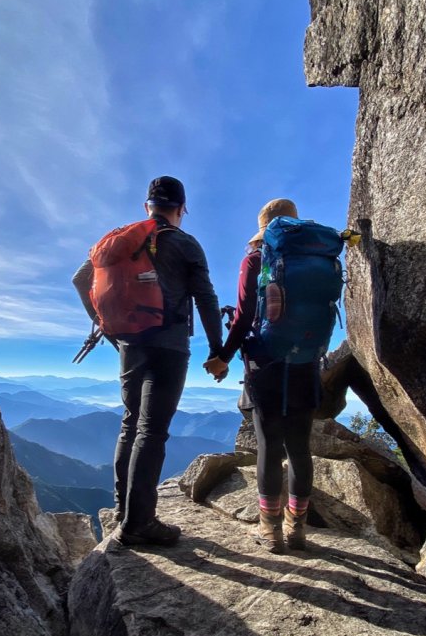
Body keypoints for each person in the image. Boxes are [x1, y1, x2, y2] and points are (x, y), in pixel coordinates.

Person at [73, 176, 224, 546]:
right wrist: (218, 351)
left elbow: (80, 280)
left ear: (147, 207)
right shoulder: (185, 243)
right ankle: (139, 523)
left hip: (129, 345)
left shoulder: (120, 242)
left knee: (130, 425)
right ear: (181, 208)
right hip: (168, 347)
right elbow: (205, 298)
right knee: (151, 431)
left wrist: (108, 330)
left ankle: (125, 511)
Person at [204, 198, 318, 553]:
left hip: (266, 364)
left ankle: (270, 531)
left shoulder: (256, 259)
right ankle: (296, 530)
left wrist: (221, 358)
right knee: (300, 448)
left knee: (269, 446)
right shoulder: (316, 258)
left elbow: (241, 318)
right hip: (307, 361)